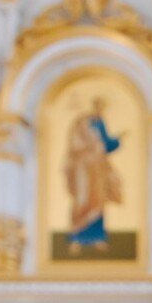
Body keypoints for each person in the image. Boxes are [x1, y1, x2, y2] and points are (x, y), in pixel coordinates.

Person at [63, 96, 123, 254]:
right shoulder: (82, 123)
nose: (100, 110)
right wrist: (91, 146)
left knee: (97, 200)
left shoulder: (100, 123)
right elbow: (75, 144)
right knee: (82, 200)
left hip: (97, 168)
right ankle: (76, 238)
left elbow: (106, 144)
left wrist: (117, 141)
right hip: (83, 168)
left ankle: (97, 237)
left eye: (102, 108)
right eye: (99, 106)